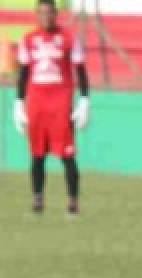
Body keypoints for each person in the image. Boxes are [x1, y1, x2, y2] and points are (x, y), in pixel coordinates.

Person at [13, 0, 90, 216]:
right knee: (37, 154)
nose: (45, 17)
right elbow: (24, 73)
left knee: (67, 154)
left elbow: (80, 70)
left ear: (56, 14)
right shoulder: (27, 40)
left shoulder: (69, 38)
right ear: (36, 15)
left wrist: (84, 100)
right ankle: (37, 200)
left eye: (49, 13)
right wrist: (18, 103)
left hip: (60, 102)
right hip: (37, 102)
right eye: (41, 13)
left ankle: (72, 202)